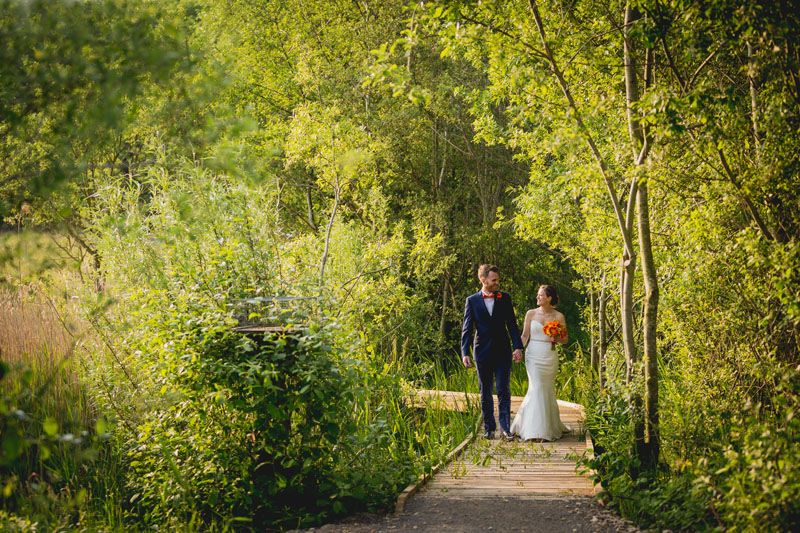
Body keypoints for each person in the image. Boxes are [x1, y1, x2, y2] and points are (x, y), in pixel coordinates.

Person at [461, 264, 524, 440]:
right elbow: (467, 329)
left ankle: (505, 428)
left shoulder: (505, 298)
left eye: (498, 279)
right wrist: (464, 352)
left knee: (504, 389)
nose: (497, 282)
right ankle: (489, 428)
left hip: (503, 351)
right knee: (485, 391)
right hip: (482, 352)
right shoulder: (472, 300)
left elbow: (512, 324)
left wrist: (517, 347)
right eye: (494, 280)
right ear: (483, 280)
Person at [510, 284, 569, 442]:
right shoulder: (531, 314)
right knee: (536, 387)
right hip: (533, 355)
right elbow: (524, 336)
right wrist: (518, 350)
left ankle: (550, 426)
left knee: (546, 389)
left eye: (541, 295)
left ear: (549, 298)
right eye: (538, 295)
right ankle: (534, 431)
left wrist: (555, 338)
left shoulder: (559, 316)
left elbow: (565, 339)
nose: (538, 298)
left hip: (549, 355)